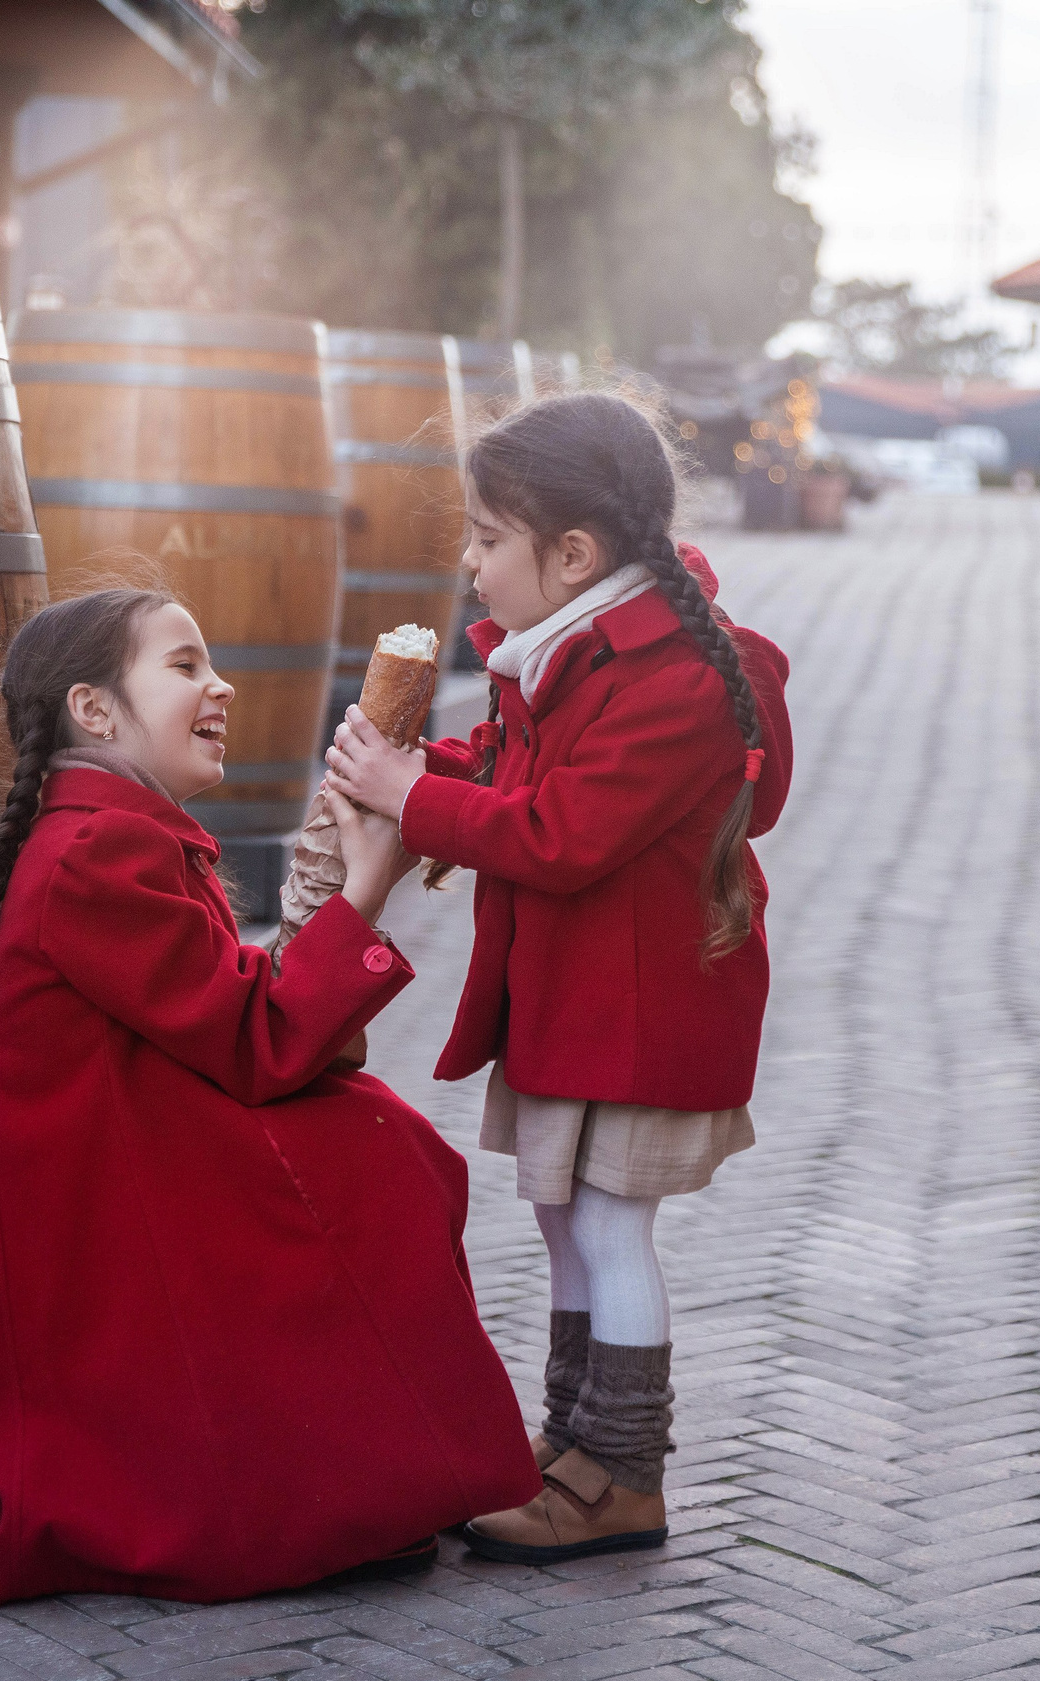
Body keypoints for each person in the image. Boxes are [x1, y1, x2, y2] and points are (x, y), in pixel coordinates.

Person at [0, 578, 542, 1609]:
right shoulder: (101, 846)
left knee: (376, 1139)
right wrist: (365, 884)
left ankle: (364, 1470)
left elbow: (232, 1022)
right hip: (86, 1195)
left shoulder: (107, 830)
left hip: (113, 1151)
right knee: (370, 1160)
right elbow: (255, 1042)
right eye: (185, 665)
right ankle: (336, 1488)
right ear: (93, 712)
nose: (221, 685)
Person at [326, 391, 794, 1565]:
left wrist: (408, 796)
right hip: (573, 998)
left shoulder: (674, 674)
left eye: (487, 540)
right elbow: (497, 771)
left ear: (573, 553)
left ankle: (622, 1476)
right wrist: (406, 772)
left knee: (608, 1223)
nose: (470, 566)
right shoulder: (564, 650)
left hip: (639, 1009)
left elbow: (559, 833)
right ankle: (571, 1446)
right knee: (560, 1214)